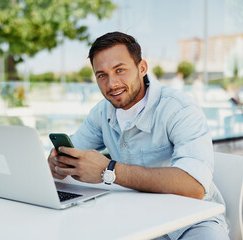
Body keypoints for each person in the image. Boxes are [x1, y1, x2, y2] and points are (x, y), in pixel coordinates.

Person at [47, 32, 229, 240]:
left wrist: (108, 170)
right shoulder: (102, 112)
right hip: (135, 218)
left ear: (142, 68)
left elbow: (194, 186)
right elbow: (72, 152)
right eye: (102, 75)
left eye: (120, 70)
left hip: (193, 221)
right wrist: (56, 163)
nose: (111, 84)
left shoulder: (179, 109)